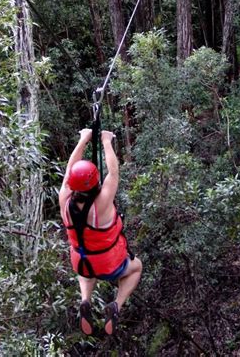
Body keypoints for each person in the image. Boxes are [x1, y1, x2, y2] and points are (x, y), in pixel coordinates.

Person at [59, 129, 142, 336]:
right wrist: (106, 141)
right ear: (95, 182)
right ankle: (116, 305)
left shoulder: (64, 201)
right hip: (109, 264)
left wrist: (83, 140)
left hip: (82, 262)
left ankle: (85, 299)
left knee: (87, 272)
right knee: (136, 267)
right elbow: (113, 172)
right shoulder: (102, 204)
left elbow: (70, 169)